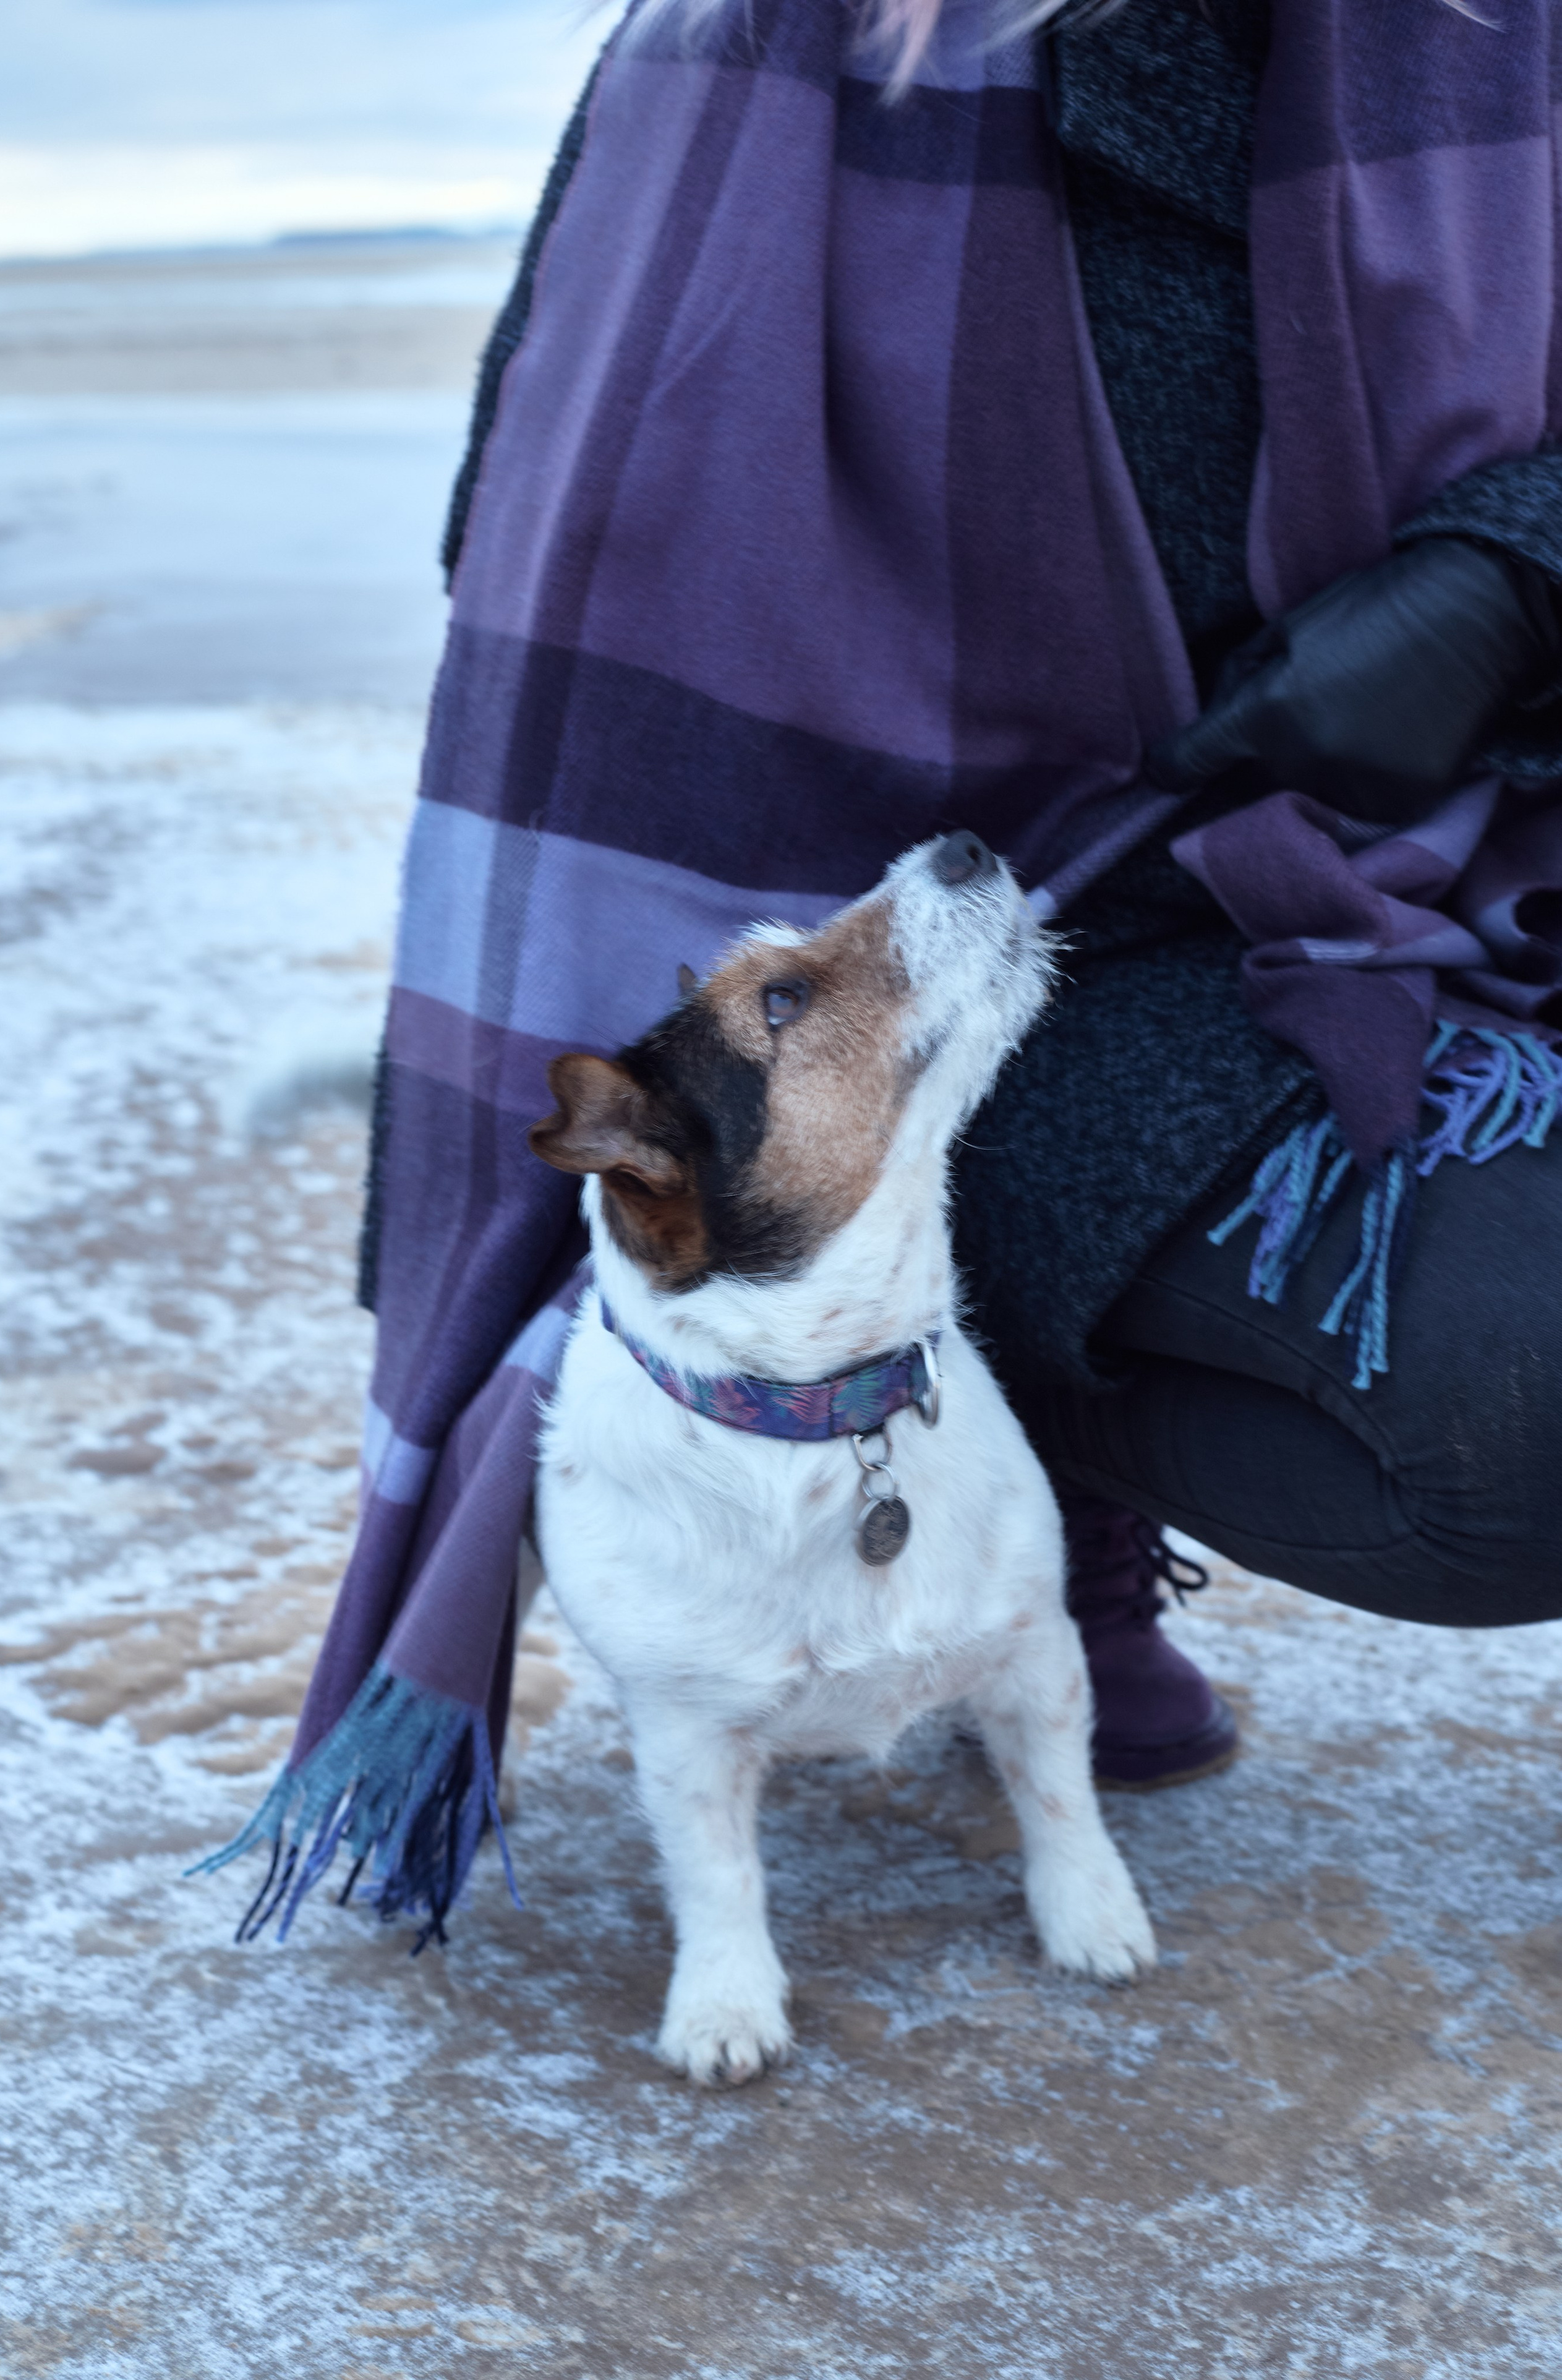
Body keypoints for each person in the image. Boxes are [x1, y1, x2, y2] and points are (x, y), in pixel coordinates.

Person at [200, 0, 1562, 1945]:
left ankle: (1003, 1451)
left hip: (1415, 871)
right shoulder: (743, 64)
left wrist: (1514, 569)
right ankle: (1016, 1479)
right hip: (971, 944)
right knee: (1528, 1411)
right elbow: (523, 544)